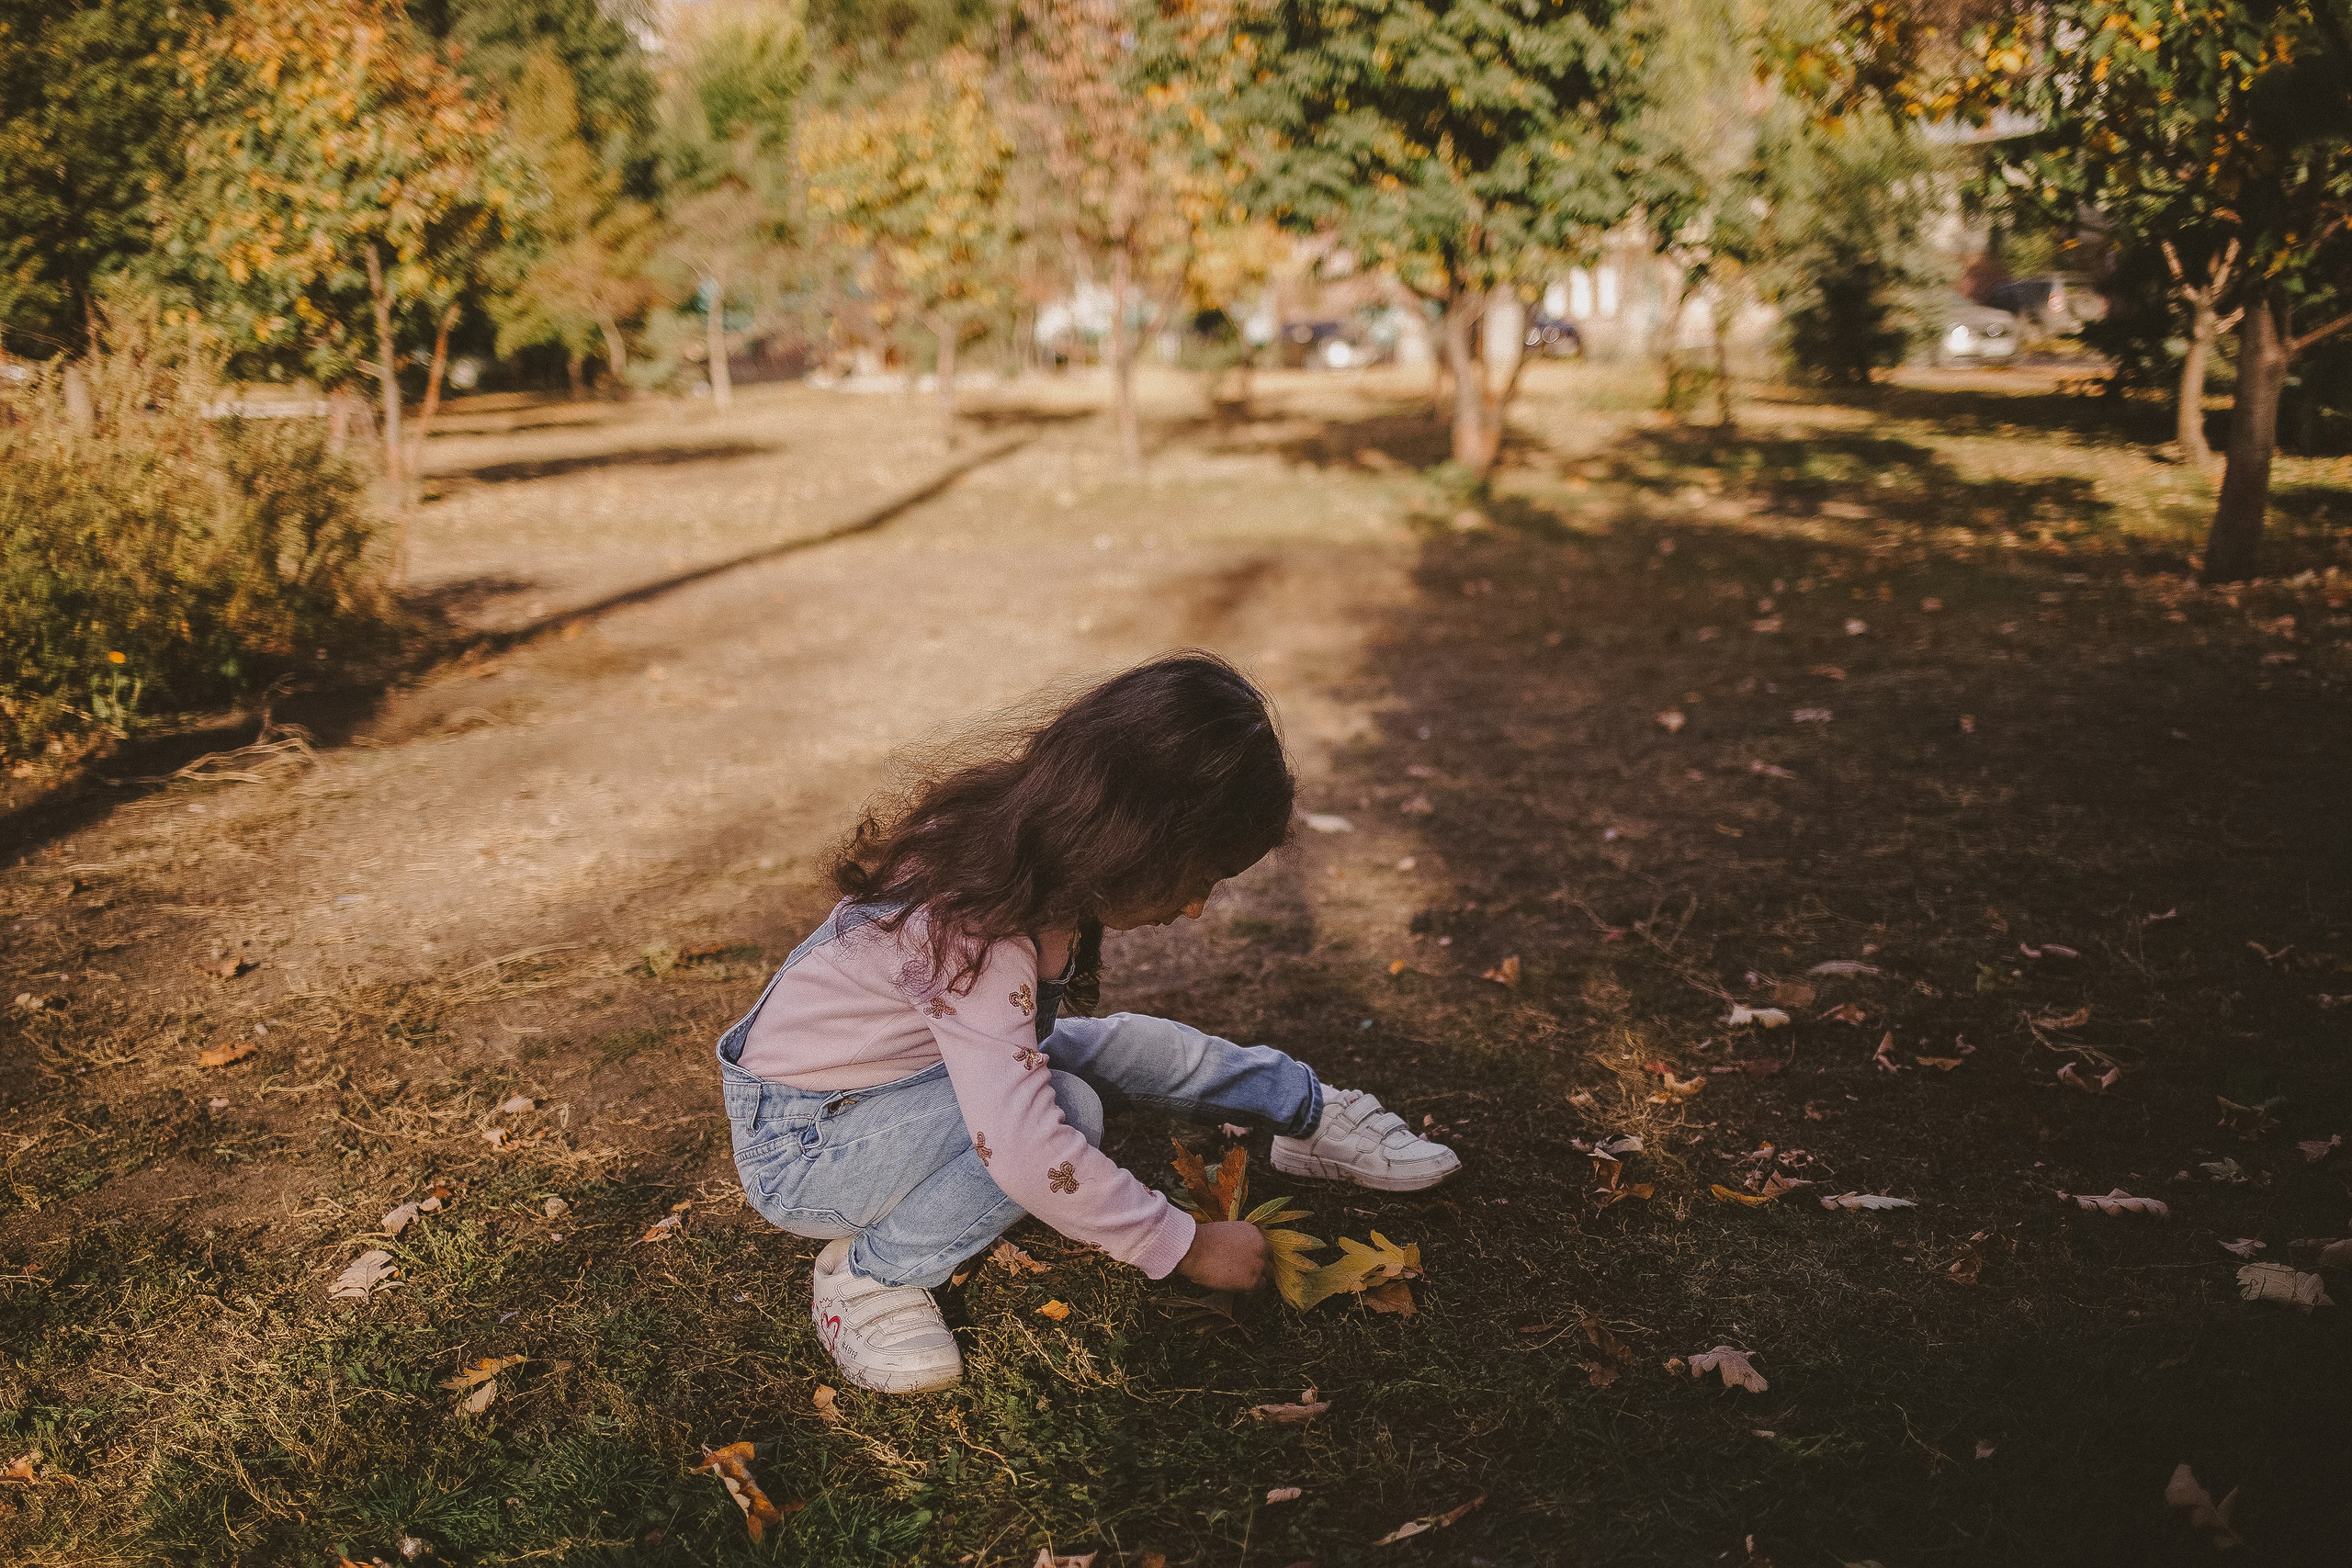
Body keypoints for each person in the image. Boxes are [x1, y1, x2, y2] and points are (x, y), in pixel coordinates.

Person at [715, 653, 1461, 1393]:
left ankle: (1307, 1113)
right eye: (1199, 877)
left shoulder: (1024, 852)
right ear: (1133, 840)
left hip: (909, 1076)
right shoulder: (973, 931)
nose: (1196, 906)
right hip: (809, 1142)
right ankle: (869, 1274)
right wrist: (1186, 1245)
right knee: (1065, 1108)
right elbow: (1024, 1145)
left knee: (1123, 1048)